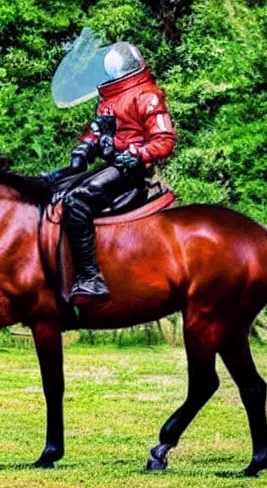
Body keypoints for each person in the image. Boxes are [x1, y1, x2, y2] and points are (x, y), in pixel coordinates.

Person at [49, 40, 177, 304]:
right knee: (56, 190)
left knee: (78, 201)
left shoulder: (147, 95)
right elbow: (96, 133)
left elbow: (164, 139)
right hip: (112, 165)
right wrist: (82, 151)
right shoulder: (108, 100)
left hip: (129, 170)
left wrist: (138, 154)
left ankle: (90, 278)